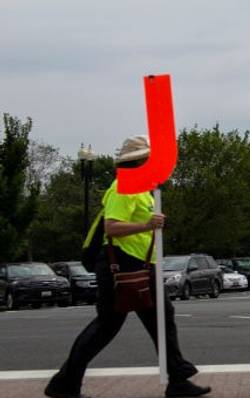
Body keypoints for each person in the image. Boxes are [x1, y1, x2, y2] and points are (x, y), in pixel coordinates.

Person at [45, 135, 211, 398]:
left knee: (159, 319)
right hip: (122, 264)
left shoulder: (140, 188)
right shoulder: (125, 186)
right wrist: (148, 225)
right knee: (109, 325)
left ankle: (177, 378)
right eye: (148, 158)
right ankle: (64, 384)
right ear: (140, 161)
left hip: (138, 264)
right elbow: (112, 227)